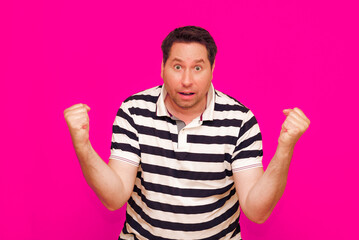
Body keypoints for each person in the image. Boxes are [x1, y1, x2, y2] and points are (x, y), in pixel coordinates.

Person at [64, 26, 310, 240]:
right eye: (178, 66)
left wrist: (285, 148)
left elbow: (257, 211)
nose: (186, 80)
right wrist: (83, 146)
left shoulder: (240, 120)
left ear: (212, 70)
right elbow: (114, 197)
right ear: (162, 68)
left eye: (198, 68)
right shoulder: (133, 111)